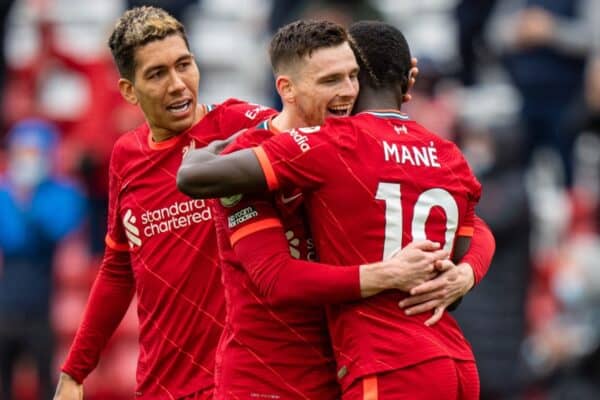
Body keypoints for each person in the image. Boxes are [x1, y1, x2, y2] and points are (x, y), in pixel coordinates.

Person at [178, 20, 492, 399]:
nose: (346, 92)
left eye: (353, 76)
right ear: (287, 89)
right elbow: (277, 280)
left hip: (362, 368)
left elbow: (479, 229)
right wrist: (390, 274)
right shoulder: (259, 154)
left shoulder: (347, 146)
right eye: (331, 80)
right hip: (269, 382)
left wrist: (463, 276)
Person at [53, 6, 278, 400]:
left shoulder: (238, 126)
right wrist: (75, 372)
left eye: (184, 65)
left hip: (240, 383)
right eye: (157, 74)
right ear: (128, 90)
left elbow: (319, 141)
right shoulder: (126, 156)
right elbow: (119, 269)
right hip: (162, 385)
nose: (178, 84)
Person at [0, 119, 86, 400]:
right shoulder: (4, 192)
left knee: (46, 382)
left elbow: (58, 227)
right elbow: (11, 238)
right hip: (6, 304)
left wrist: (26, 203)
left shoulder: (63, 192)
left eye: (34, 154)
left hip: (40, 307)